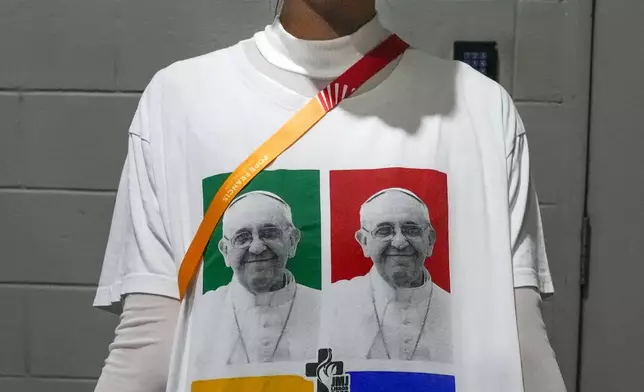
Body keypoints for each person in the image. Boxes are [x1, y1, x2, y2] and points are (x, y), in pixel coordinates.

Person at [93, 0, 568, 391]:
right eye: (384, 229)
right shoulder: (180, 101)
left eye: (410, 230)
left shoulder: (481, 109)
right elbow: (147, 343)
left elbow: (519, 336)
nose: (258, 247)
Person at [192, 191, 319, 368]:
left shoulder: (325, 306)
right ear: (225, 251)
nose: (257, 248)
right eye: (242, 238)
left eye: (269, 233)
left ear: (292, 241)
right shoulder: (201, 313)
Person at [324, 188, 451, 362]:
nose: (399, 242)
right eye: (384, 230)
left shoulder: (457, 310)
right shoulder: (332, 302)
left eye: (411, 230)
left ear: (429, 240)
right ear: (364, 242)